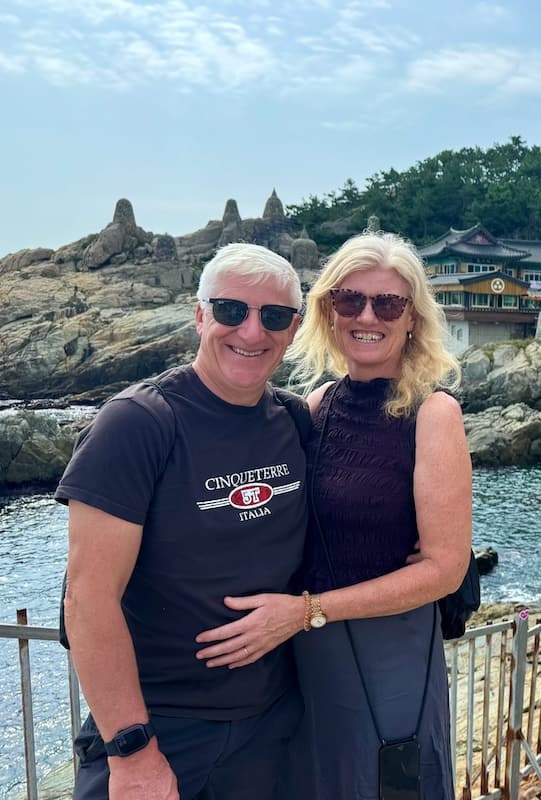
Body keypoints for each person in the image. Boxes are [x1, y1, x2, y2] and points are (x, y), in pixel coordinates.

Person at [197, 233, 472, 798]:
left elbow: (444, 568)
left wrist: (305, 612)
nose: (367, 316)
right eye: (350, 300)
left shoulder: (433, 413)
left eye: (388, 304)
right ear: (328, 311)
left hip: (387, 650)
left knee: (388, 781)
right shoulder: (317, 406)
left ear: (412, 319)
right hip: (307, 654)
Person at [57, 243, 307, 799]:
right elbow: (88, 599)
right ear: (199, 315)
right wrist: (132, 751)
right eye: (230, 310)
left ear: (293, 330)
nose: (251, 331)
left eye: (274, 316)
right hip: (158, 730)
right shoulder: (138, 423)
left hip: (271, 728)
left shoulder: (295, 421)